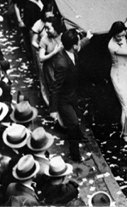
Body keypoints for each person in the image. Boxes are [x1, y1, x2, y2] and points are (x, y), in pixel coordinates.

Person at [49, 27, 92, 163]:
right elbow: (55, 87)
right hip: (64, 99)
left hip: (72, 94)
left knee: (77, 117)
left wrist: (88, 37)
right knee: (72, 124)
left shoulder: (72, 51)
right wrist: (53, 110)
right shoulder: (62, 63)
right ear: (73, 45)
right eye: (78, 41)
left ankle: (79, 136)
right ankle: (75, 155)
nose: (79, 43)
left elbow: (81, 45)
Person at [107, 20, 127, 144]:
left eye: (122, 34)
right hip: (119, 74)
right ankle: (125, 133)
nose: (121, 37)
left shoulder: (124, 37)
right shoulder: (112, 45)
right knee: (126, 104)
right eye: (118, 35)